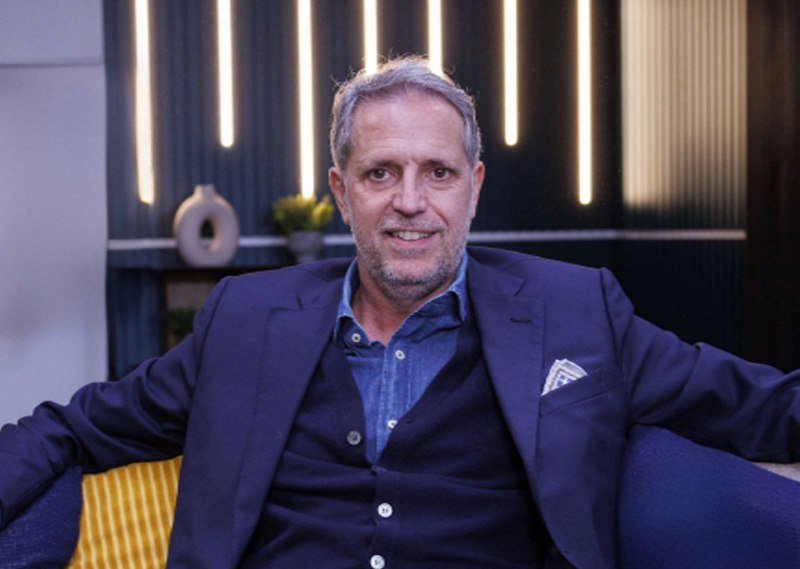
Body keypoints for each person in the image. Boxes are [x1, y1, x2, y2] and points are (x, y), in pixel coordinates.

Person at [1, 55, 800, 569]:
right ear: (341, 191)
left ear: (473, 187)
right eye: (381, 173)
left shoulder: (576, 311)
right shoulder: (246, 317)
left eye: (438, 173)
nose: (411, 202)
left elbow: (756, 405)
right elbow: (72, 428)